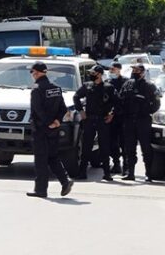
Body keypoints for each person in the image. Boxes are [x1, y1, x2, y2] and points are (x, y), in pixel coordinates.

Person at [26, 62, 72, 198]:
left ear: (37, 72)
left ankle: (40, 190)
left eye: (32, 72)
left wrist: (48, 123)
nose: (32, 74)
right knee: (52, 157)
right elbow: (63, 108)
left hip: (41, 129)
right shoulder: (56, 88)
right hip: (54, 129)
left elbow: (38, 110)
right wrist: (57, 121)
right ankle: (65, 181)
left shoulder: (36, 89)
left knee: (41, 160)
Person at [73, 65, 117, 181]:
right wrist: (81, 111)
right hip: (89, 119)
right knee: (86, 146)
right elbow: (76, 97)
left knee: (104, 146)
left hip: (103, 119)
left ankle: (107, 173)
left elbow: (116, 102)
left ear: (100, 74)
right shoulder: (87, 86)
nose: (91, 75)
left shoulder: (108, 87)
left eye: (93, 73)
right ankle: (82, 172)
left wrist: (112, 114)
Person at [119, 64, 160, 182]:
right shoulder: (127, 84)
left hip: (143, 121)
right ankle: (130, 173)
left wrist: (147, 112)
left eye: (137, 70)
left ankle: (148, 173)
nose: (134, 72)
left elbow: (156, 103)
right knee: (129, 148)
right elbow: (120, 99)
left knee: (146, 148)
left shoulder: (149, 86)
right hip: (129, 120)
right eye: (133, 70)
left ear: (142, 73)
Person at [108, 63, 128, 175]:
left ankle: (126, 166)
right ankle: (116, 164)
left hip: (123, 117)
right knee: (112, 142)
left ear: (119, 70)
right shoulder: (108, 82)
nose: (111, 71)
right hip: (111, 118)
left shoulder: (126, 82)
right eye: (110, 69)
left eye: (113, 69)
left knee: (124, 142)